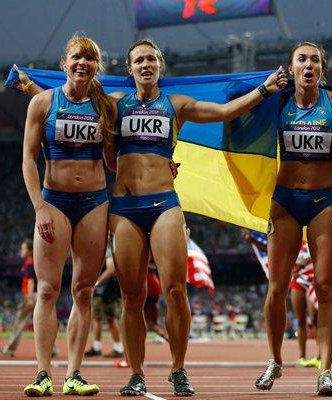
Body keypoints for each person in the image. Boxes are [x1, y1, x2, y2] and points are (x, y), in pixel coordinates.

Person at [104, 39, 287, 397]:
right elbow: (73, 102)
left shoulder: (177, 104)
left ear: (160, 67)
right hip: (125, 207)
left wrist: (264, 89)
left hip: (164, 203)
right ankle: (137, 373)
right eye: (139, 60)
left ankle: (178, 369)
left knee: (175, 289)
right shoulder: (113, 105)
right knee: (131, 295)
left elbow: (224, 112)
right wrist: (32, 87)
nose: (145, 65)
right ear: (129, 69)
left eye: (151, 59)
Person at [255, 42, 332, 397]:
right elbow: (239, 115)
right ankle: (275, 360)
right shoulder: (276, 102)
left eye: (315, 60)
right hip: (284, 203)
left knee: (326, 288)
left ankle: (325, 371)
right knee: (277, 287)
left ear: (322, 69)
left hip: (324, 201)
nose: (308, 64)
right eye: (302, 60)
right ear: (292, 68)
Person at [20, 34, 116, 397]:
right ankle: (43, 374)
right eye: (77, 57)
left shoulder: (105, 106)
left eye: (90, 59)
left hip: (94, 202)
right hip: (54, 201)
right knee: (47, 289)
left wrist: (155, 162)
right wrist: (40, 206)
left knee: (84, 290)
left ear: (96, 67)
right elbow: (29, 159)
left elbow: (110, 160)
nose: (83, 63)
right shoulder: (43, 104)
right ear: (65, 63)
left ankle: (74, 374)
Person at [2, 239, 59, 358]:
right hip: (39, 294)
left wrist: (29, 297)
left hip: (31, 295)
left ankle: (10, 348)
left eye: (23, 248)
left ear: (29, 251)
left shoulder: (29, 263)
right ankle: (52, 349)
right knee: (44, 321)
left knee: (19, 321)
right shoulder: (36, 262)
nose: (21, 251)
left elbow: (30, 280)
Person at [84, 244, 123, 358]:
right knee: (96, 318)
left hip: (107, 290)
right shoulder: (101, 248)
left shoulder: (108, 249)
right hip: (101, 289)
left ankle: (118, 347)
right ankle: (96, 346)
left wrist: (97, 282)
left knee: (110, 319)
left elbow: (111, 269)